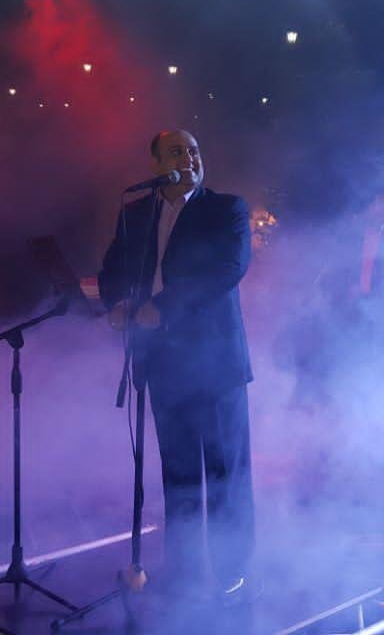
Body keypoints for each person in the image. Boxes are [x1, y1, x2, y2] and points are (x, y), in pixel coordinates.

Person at [98, 129, 255, 601]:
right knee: (180, 474)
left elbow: (228, 269)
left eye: (193, 150)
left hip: (216, 364)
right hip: (164, 363)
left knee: (226, 472)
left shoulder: (225, 208)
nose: (188, 158)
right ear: (156, 164)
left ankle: (232, 574)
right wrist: (116, 303)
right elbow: (113, 270)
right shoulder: (137, 213)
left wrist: (163, 306)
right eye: (176, 152)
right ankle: (184, 573)